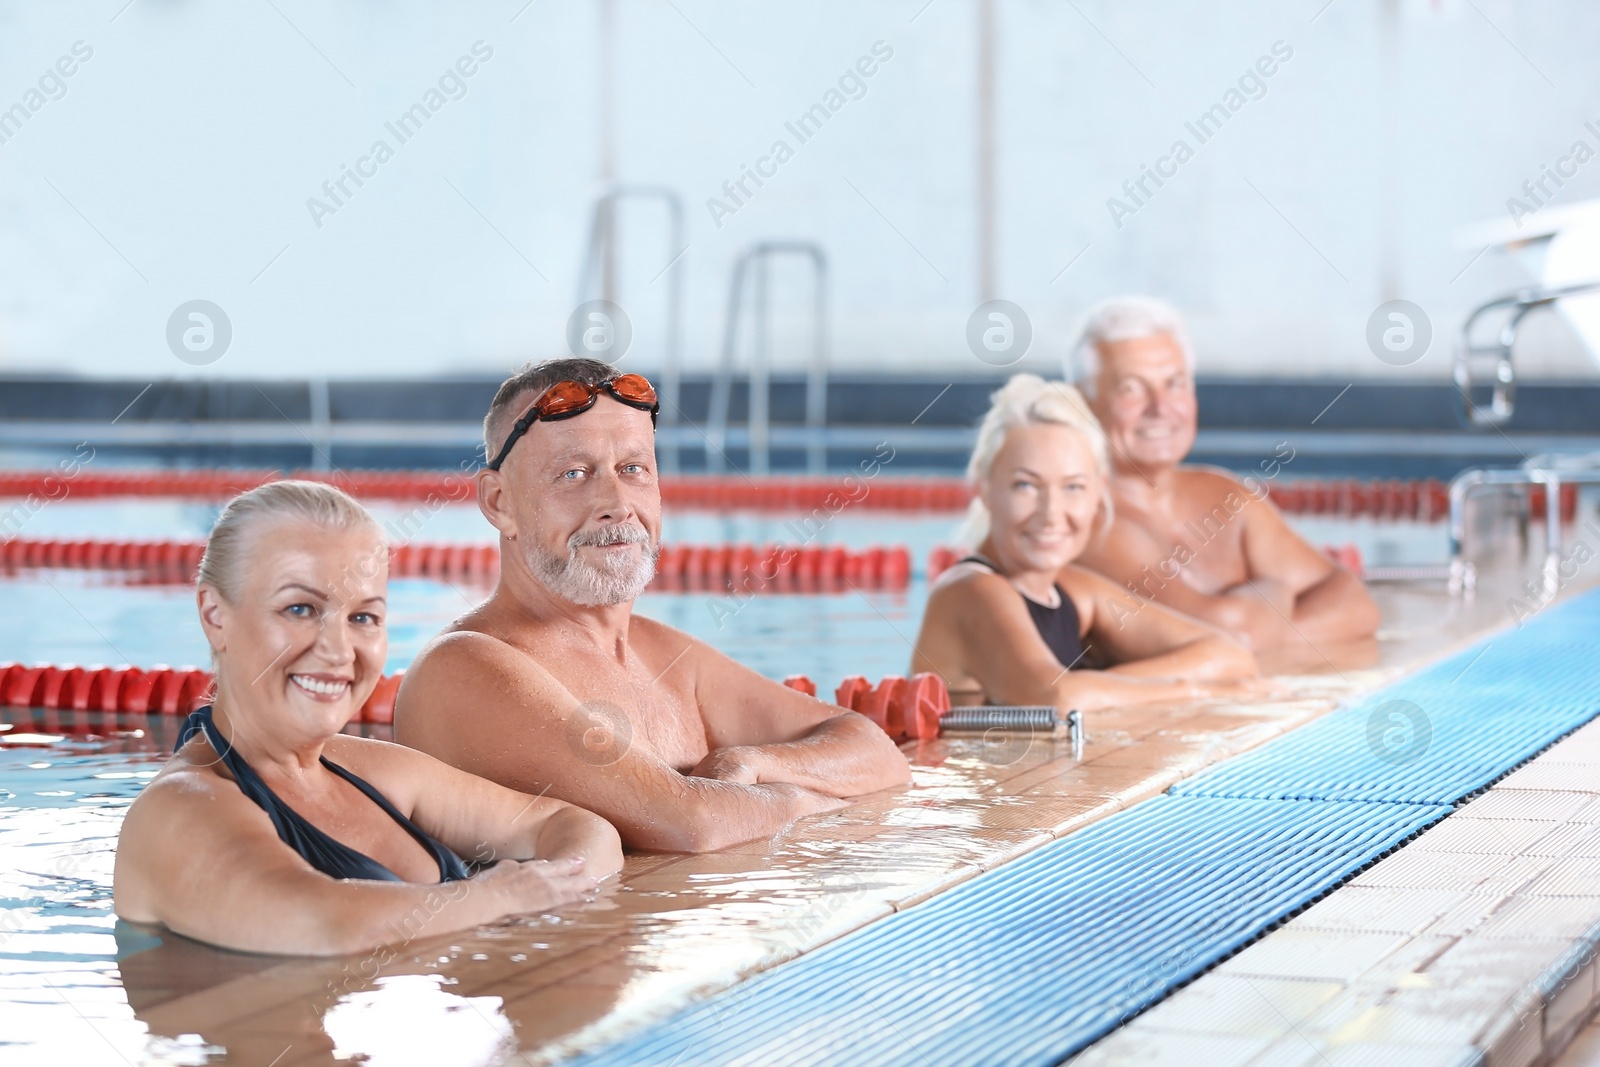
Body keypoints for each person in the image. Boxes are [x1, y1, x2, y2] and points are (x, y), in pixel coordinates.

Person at [394, 359, 909, 853]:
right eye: (573, 474)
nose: (616, 503)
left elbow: (874, 752)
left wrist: (746, 762)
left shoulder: (661, 654)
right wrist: (804, 798)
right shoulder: (465, 668)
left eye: (633, 468)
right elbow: (691, 824)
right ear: (498, 502)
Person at [114, 481, 623, 956]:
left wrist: (553, 884)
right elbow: (324, 923)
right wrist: (501, 897)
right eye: (299, 609)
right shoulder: (176, 811)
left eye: (363, 617)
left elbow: (574, 823)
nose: (338, 651)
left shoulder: (368, 771)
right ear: (214, 615)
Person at [910, 374, 1257, 711]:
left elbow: (1230, 656)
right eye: (1025, 485)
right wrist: (1189, 691)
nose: (1051, 514)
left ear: (1097, 493)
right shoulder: (969, 591)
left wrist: (1107, 685)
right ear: (986, 489)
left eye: (1073, 487)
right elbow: (1059, 699)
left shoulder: (1070, 589)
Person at [1067, 296, 1380, 652]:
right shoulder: (1088, 521)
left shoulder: (1224, 495)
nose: (1160, 408)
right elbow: (1223, 635)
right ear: (1082, 403)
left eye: (1175, 384)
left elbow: (1355, 603)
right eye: (1132, 389)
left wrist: (1263, 634)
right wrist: (1275, 591)